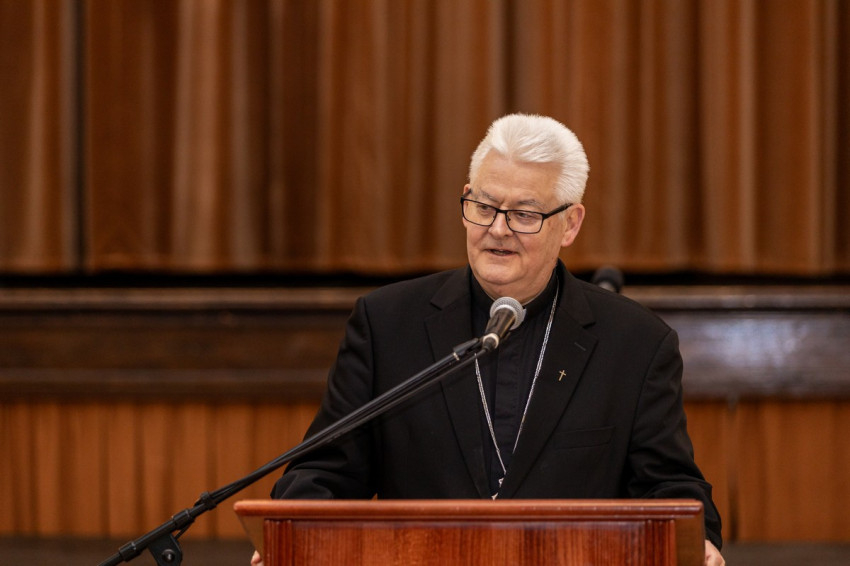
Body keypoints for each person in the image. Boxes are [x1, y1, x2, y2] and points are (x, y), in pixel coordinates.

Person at [252, 113, 724, 565]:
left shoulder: (635, 344)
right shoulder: (388, 324)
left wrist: (696, 542)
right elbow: (324, 471)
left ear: (570, 223)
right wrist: (291, 533)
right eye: (484, 207)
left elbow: (669, 488)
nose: (498, 229)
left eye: (524, 214)